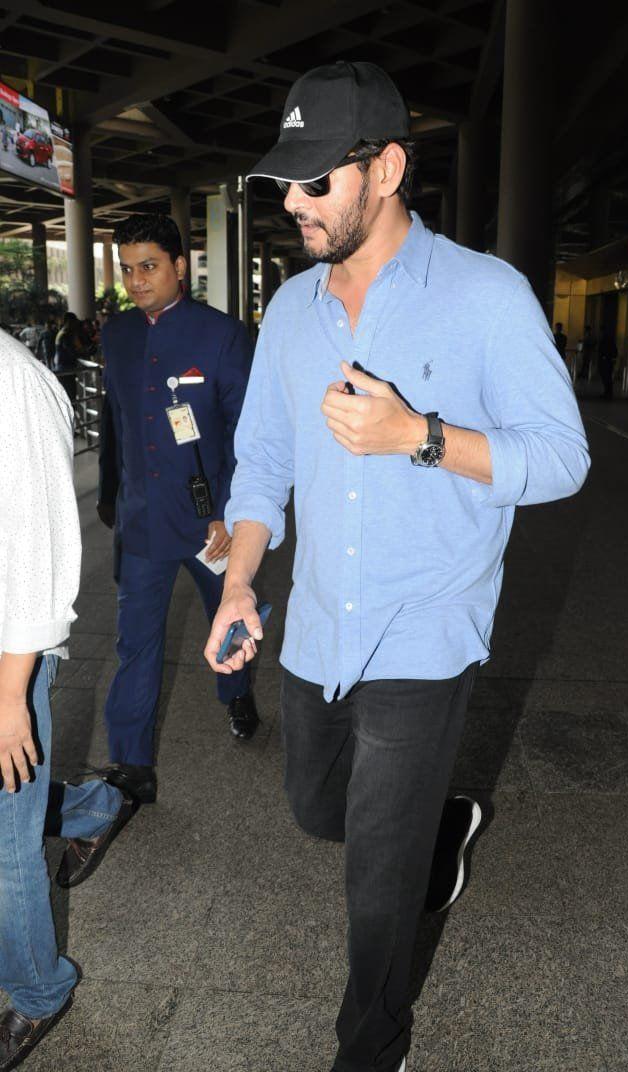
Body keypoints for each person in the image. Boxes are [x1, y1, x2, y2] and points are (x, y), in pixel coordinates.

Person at [204, 61, 590, 1072]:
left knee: (376, 882)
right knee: (315, 809)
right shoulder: (289, 312)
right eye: (282, 182)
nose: (291, 203)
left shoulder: (483, 296)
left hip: (426, 630)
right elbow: (262, 464)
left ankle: (371, 1050)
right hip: (319, 625)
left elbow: (561, 457)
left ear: (386, 170)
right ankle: (444, 824)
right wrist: (241, 580)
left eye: (314, 181)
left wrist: (420, 434)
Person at [0, 328, 135, 1070]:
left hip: (5, 658)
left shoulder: (10, 382)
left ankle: (37, 991)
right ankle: (91, 806)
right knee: (10, 804)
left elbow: (35, 553)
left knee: (4, 844)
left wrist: (11, 696)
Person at [95, 213, 256, 808]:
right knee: (135, 644)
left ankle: (236, 690)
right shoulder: (117, 335)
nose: (137, 281)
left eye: (149, 267)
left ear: (179, 267)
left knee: (228, 616)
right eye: (128, 269)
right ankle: (131, 764)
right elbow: (116, 426)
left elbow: (248, 432)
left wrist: (233, 511)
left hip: (210, 522)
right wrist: (111, 494)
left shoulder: (221, 335)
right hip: (142, 522)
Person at [598, 329, 618, 399]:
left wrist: (604, 357)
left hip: (605, 362)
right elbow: (615, 352)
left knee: (606, 377)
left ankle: (607, 392)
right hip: (609, 362)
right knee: (608, 377)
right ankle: (608, 392)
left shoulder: (604, 341)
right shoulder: (611, 341)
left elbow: (601, 351)